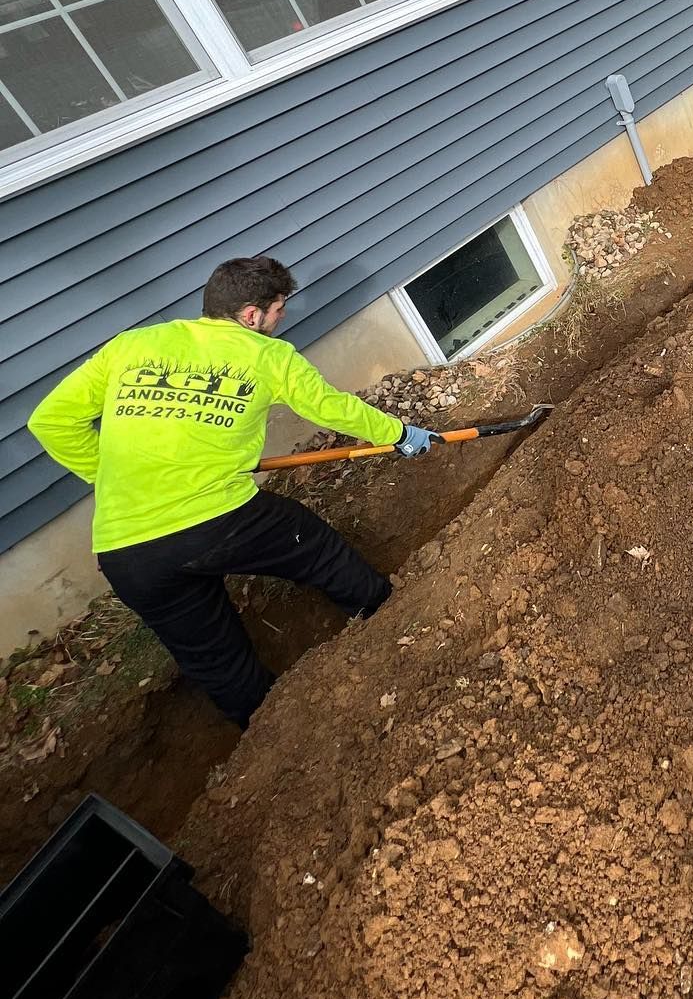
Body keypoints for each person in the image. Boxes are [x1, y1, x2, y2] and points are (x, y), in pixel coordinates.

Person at [27, 255, 442, 729]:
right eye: (279, 308)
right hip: (216, 523)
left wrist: (111, 477)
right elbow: (332, 408)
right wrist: (399, 433)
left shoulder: (132, 345)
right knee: (314, 546)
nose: (283, 316)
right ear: (251, 315)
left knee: (216, 660)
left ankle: (269, 734)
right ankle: (386, 608)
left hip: (125, 552)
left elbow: (50, 420)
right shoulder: (267, 357)